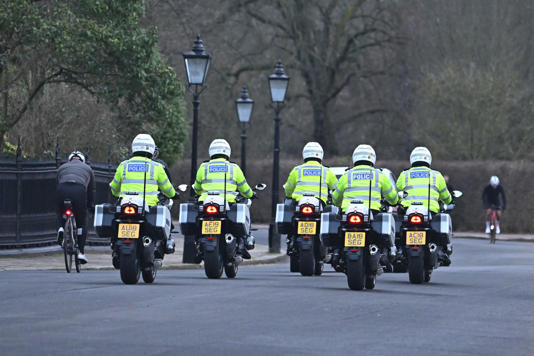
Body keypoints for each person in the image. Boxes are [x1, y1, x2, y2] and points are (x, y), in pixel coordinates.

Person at [109, 134, 177, 266]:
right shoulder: (156, 167)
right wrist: (173, 194)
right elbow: (167, 188)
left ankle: (116, 246)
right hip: (148, 205)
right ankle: (159, 246)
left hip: (125, 203)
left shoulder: (124, 165)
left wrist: (118, 194)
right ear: (151, 149)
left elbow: (114, 187)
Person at [332, 144, 399, 255]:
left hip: (348, 212)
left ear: (355, 158)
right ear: (372, 158)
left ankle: (339, 251)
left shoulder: (347, 175)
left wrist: (338, 204)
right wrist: (394, 201)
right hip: (372, 212)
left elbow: (336, 198)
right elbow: (392, 197)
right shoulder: (379, 175)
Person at [193, 139, 254, 258]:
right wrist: (251, 194)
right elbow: (244, 188)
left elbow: (197, 187)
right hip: (228, 202)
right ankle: (242, 242)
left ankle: (198, 243)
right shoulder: (233, 168)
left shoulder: (204, 167)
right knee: (239, 218)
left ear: (211, 152)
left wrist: (200, 193)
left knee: (198, 222)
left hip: (206, 201)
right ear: (228, 152)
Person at [396, 146, 453, 255]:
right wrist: (449, 200)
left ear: (412, 159)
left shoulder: (405, 175)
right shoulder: (436, 175)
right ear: (428, 159)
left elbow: (396, 194)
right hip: (430, 210)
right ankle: (443, 248)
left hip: (408, 210)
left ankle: (400, 249)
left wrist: (396, 202)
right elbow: (446, 197)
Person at [56, 151, 95, 264]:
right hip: (78, 190)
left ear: (70, 160)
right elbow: (91, 190)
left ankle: (61, 228)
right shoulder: (88, 169)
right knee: (81, 221)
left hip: (62, 189)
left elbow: (57, 184)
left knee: (60, 210)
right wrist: (90, 206)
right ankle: (81, 253)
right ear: (82, 160)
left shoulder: (62, 167)